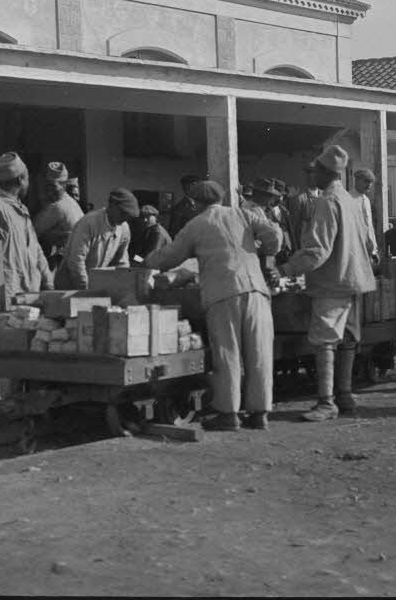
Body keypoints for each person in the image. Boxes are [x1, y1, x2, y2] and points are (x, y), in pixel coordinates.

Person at [145, 180, 283, 431]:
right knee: (259, 352)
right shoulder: (242, 213)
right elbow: (274, 234)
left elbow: (171, 255)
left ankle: (229, 415)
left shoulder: (197, 224)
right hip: (257, 292)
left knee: (227, 352)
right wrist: (268, 254)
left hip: (223, 293)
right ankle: (260, 413)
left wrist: (146, 262)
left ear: (196, 202)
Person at [279, 145, 377, 422]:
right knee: (347, 340)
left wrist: (285, 269)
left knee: (324, 340)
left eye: (315, 172)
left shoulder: (326, 202)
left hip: (333, 281)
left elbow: (317, 251)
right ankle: (344, 396)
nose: (312, 177)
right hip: (356, 280)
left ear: (325, 172)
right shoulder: (348, 199)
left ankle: (326, 403)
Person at [0, 151, 53, 318]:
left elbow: (35, 248)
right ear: (21, 179)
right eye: (27, 178)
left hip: (27, 293)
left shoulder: (21, 209)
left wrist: (48, 281)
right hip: (5, 296)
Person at [61, 188, 137, 290]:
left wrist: (122, 287)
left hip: (94, 286)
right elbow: (76, 260)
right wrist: (86, 289)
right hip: (70, 284)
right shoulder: (89, 223)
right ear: (112, 205)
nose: (125, 219)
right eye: (122, 213)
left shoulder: (124, 229)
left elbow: (121, 263)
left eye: (128, 216)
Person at [33, 162, 84, 274]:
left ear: (64, 185)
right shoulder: (71, 202)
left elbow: (32, 232)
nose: (49, 190)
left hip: (65, 264)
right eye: (48, 185)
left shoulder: (57, 207)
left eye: (53, 186)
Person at [250, 177, 293, 261]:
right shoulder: (251, 211)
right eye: (269, 196)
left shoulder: (261, 210)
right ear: (259, 195)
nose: (271, 199)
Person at [287, 162, 322, 257]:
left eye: (316, 174)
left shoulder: (324, 196)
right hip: (305, 246)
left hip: (322, 245)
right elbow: (294, 226)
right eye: (310, 174)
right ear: (307, 177)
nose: (313, 177)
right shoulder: (300, 198)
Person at [349, 168, 381, 265]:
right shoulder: (348, 199)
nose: (369, 185)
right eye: (366, 181)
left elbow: (369, 228)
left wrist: (374, 251)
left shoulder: (366, 200)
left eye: (371, 182)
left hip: (367, 251)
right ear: (357, 180)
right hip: (355, 251)